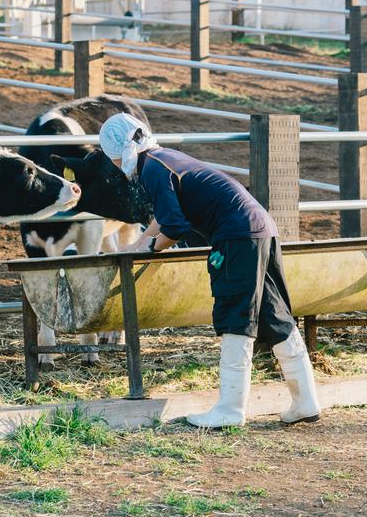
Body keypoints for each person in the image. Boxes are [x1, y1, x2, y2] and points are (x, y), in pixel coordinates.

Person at [99, 112, 321, 428]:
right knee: (274, 314)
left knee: (235, 314)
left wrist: (146, 251)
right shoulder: (164, 159)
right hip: (261, 229)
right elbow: (165, 216)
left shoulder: (151, 170)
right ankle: (306, 401)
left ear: (116, 154)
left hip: (236, 236)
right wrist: (138, 245)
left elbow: (175, 226)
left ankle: (230, 409)